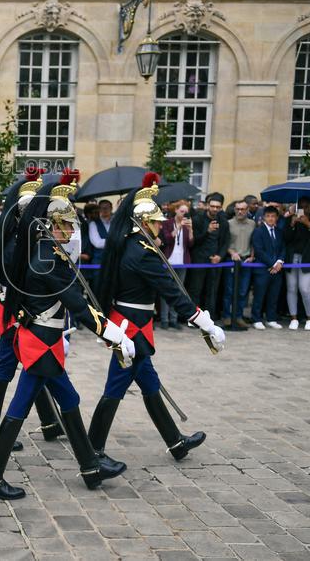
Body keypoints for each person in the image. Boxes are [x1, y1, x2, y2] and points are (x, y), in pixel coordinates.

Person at [0, 173, 133, 500]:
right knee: (21, 408)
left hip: (43, 342)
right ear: (50, 224)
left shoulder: (48, 252)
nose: (71, 229)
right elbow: (77, 305)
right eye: (66, 223)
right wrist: (112, 332)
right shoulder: (48, 258)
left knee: (69, 400)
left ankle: (90, 467)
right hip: (40, 346)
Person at [88, 173, 225, 465]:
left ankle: (175, 442)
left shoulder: (131, 244)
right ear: (143, 223)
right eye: (156, 222)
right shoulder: (143, 253)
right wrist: (205, 322)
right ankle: (92, 450)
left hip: (131, 324)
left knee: (150, 384)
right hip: (132, 331)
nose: (160, 227)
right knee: (114, 390)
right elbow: (173, 292)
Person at [0, 167, 67, 452]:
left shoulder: (20, 237)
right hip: (14, 313)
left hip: (18, 310)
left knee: (36, 366)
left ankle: (50, 422)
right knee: (7, 369)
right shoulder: (13, 241)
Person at [187, 193, 230, 319]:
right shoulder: (198, 219)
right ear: (207, 206)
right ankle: (194, 318)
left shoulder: (223, 221)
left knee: (212, 290)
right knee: (196, 289)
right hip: (199, 260)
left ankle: (209, 318)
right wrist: (208, 231)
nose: (215, 209)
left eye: (218, 207)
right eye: (212, 206)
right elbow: (195, 241)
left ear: (221, 208)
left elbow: (225, 241)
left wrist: (220, 256)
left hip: (215, 261)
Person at [283, 199, 310, 330]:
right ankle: (293, 318)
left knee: (305, 289)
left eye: (306, 206)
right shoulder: (291, 218)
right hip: (292, 257)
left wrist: (308, 224)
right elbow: (285, 238)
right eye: (300, 207)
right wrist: (292, 224)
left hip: (309, 257)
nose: (304, 209)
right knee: (291, 288)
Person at [158, 201, 193, 330]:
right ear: (176, 210)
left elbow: (190, 244)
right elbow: (167, 239)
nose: (184, 214)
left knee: (178, 291)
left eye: (186, 212)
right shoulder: (167, 223)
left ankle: (174, 319)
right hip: (169, 261)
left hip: (182, 261)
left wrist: (190, 230)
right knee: (167, 290)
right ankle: (164, 319)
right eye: (182, 211)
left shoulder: (187, 225)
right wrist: (178, 227)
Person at [250, 206, 286, 330]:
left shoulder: (279, 232)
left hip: (277, 270)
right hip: (262, 269)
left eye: (273, 216)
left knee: (273, 295)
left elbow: (283, 248)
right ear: (264, 217)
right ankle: (256, 318)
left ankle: (271, 318)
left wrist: (280, 261)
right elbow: (259, 251)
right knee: (259, 295)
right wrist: (273, 264)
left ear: (277, 218)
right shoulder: (258, 231)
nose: (271, 218)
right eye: (268, 216)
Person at [222, 199, 255, 327]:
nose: (240, 211)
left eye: (243, 209)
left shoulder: (252, 224)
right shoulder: (228, 223)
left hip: (246, 260)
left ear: (247, 210)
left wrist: (252, 255)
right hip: (232, 260)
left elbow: (254, 242)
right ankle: (226, 316)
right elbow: (225, 243)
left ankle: (239, 316)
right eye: (238, 209)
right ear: (234, 210)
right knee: (229, 290)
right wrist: (232, 253)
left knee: (243, 291)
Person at [87, 199, 113, 268]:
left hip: (114, 260)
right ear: (99, 210)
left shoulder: (115, 223)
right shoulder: (93, 224)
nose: (105, 210)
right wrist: (114, 241)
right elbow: (97, 243)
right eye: (102, 208)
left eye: (107, 207)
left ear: (111, 209)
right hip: (99, 261)